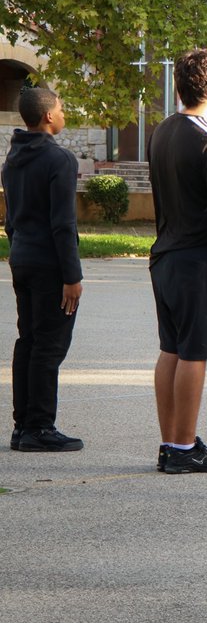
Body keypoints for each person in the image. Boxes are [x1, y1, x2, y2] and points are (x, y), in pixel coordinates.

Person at [147, 50, 207, 474]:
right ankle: (185, 448)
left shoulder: (162, 131)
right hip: (198, 259)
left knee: (172, 348)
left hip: (165, 254)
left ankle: (171, 443)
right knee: (194, 352)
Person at [3, 87, 84, 452]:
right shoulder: (59, 159)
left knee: (29, 340)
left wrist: (15, 250)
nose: (64, 114)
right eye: (62, 109)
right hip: (51, 264)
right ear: (49, 115)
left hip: (22, 257)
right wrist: (72, 276)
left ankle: (23, 426)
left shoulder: (12, 158)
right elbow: (63, 224)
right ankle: (40, 427)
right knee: (49, 345)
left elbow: (11, 219)